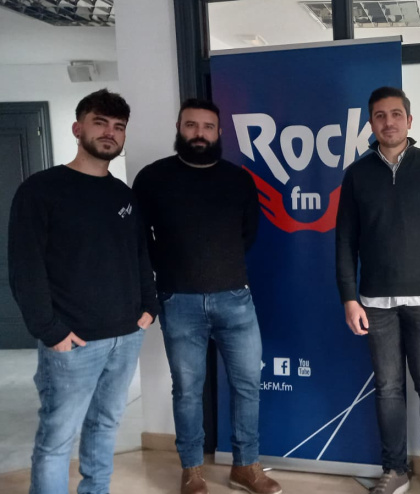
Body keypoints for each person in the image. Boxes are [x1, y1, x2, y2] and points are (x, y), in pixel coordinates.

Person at [8, 88, 158, 494]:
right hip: (73, 341)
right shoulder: (41, 190)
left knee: (106, 424)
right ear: (78, 128)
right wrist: (49, 330)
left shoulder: (123, 195)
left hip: (125, 336)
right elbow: (26, 268)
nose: (110, 133)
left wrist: (149, 307)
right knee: (57, 439)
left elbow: (140, 255)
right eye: (100, 123)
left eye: (118, 127)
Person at [133, 99, 280, 494]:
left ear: (219, 133)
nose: (199, 133)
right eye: (192, 125)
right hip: (178, 301)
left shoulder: (238, 179)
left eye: (208, 127)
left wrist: (220, 266)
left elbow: (248, 233)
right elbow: (137, 239)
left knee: (248, 384)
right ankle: (192, 470)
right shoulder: (152, 178)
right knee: (187, 388)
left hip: (235, 298)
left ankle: (246, 466)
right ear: (178, 127)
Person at [336, 86, 420, 494]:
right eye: (379, 115)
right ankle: (394, 469)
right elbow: (344, 243)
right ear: (371, 123)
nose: (388, 122)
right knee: (388, 388)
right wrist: (349, 297)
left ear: (409, 120)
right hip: (375, 303)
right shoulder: (356, 175)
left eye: (396, 114)